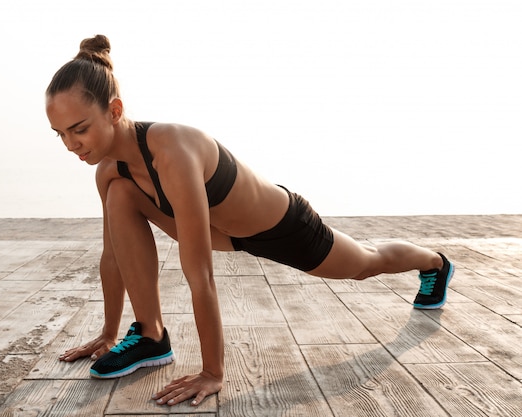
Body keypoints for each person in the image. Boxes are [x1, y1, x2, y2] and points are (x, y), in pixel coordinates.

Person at [45, 35, 454, 407]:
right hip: (226, 233)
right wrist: (108, 332)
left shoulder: (172, 149)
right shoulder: (110, 171)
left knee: (366, 264)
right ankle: (150, 335)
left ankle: (434, 263)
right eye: (59, 134)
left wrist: (212, 373)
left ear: (114, 110)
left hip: (282, 227)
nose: (70, 145)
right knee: (120, 193)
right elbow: (112, 256)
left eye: (78, 129)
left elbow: (199, 273)